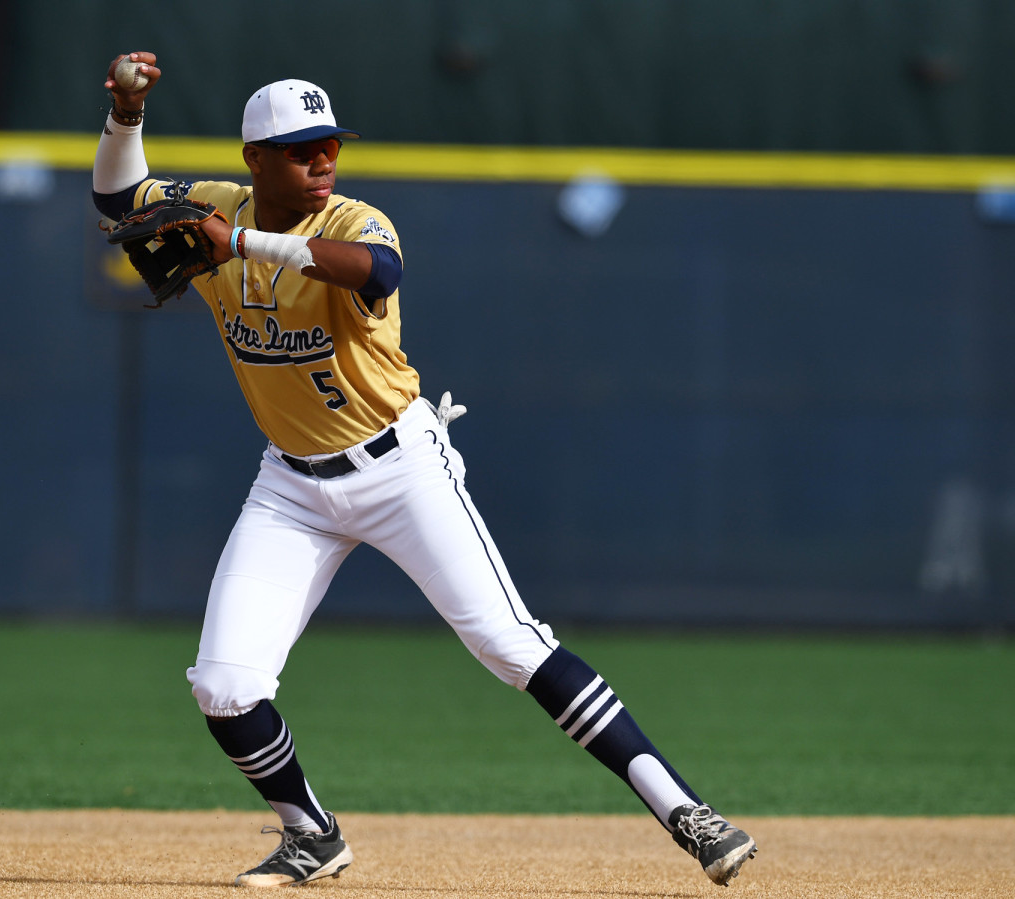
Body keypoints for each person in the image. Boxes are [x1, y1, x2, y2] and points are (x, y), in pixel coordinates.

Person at [93, 51, 757, 889]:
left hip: (400, 465)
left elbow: (381, 271)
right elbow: (117, 198)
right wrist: (125, 114)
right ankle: (312, 835)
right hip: (290, 486)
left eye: (331, 144)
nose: (324, 160)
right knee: (224, 686)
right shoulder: (216, 207)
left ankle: (687, 810)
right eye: (302, 150)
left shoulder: (353, 221)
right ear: (256, 159)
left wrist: (246, 243)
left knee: (512, 645)